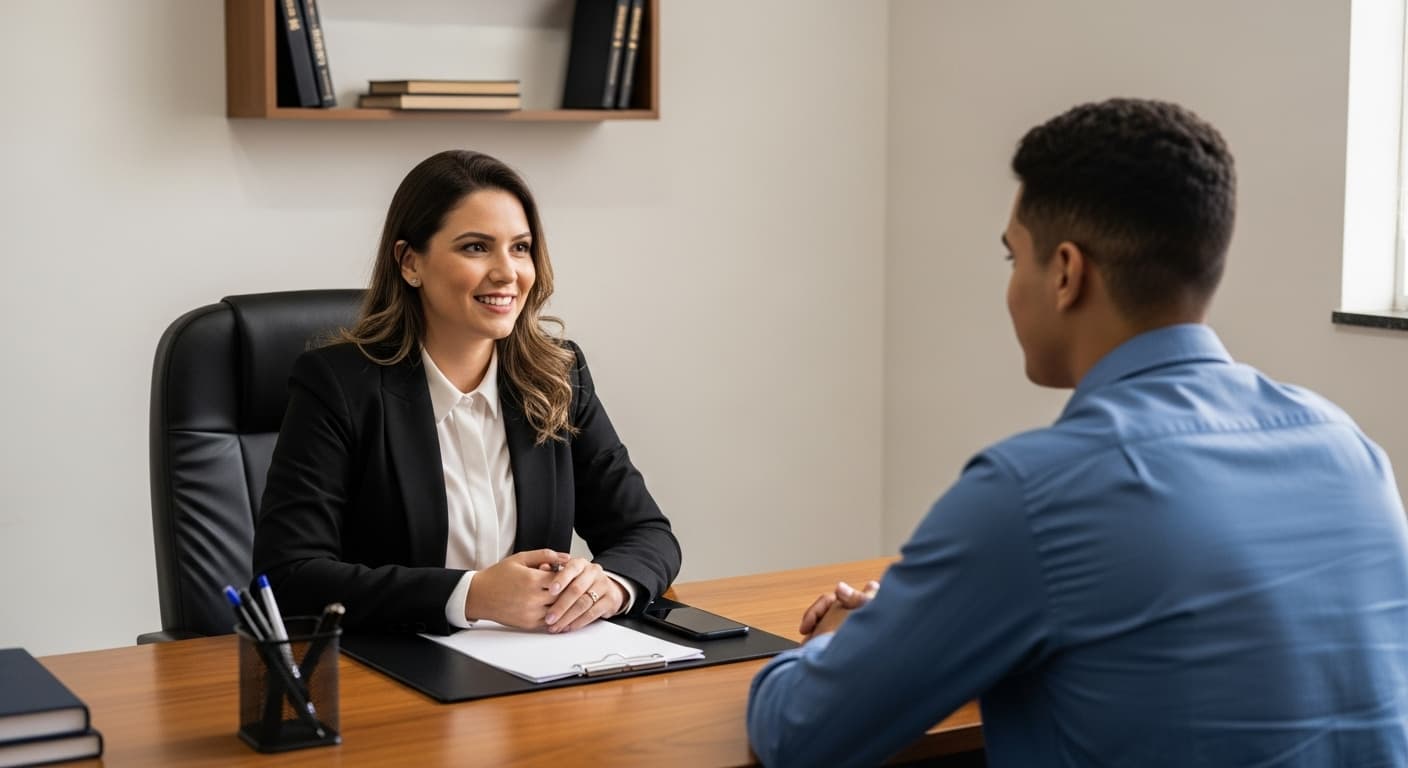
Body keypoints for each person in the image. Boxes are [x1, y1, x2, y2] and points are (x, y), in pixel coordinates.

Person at [747, 99, 1408, 767]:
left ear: (1066, 272)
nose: (1010, 288)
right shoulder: (1350, 450)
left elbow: (798, 734)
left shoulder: (1033, 494)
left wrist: (840, 638)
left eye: (1013, 259)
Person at [253, 150, 681, 636]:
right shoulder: (338, 386)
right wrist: (471, 595)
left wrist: (610, 584)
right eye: (476, 247)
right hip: (394, 670)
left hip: (536, 669)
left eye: (520, 248)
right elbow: (288, 577)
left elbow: (646, 533)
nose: (507, 273)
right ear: (410, 262)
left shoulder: (558, 375)